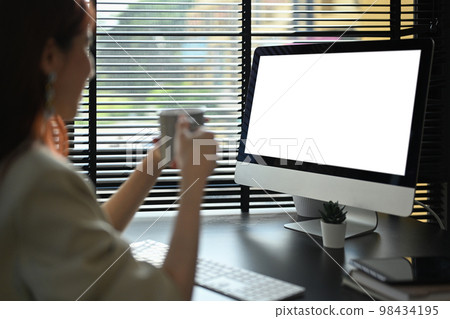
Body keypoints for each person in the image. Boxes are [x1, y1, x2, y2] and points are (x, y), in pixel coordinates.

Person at [0, 0, 217, 300]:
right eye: (86, 46)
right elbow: (170, 300)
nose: (91, 70)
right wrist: (194, 182)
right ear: (50, 56)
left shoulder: (15, 160)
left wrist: (154, 161)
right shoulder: (39, 177)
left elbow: (81, 233)